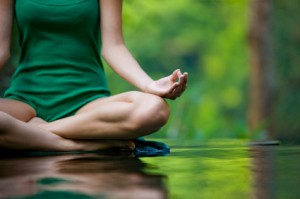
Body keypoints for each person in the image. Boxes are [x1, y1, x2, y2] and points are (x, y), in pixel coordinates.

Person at [0, 0, 188, 151]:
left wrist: (149, 85)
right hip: (25, 103)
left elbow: (114, 47)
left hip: (88, 104)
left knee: (155, 109)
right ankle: (70, 145)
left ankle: (32, 132)